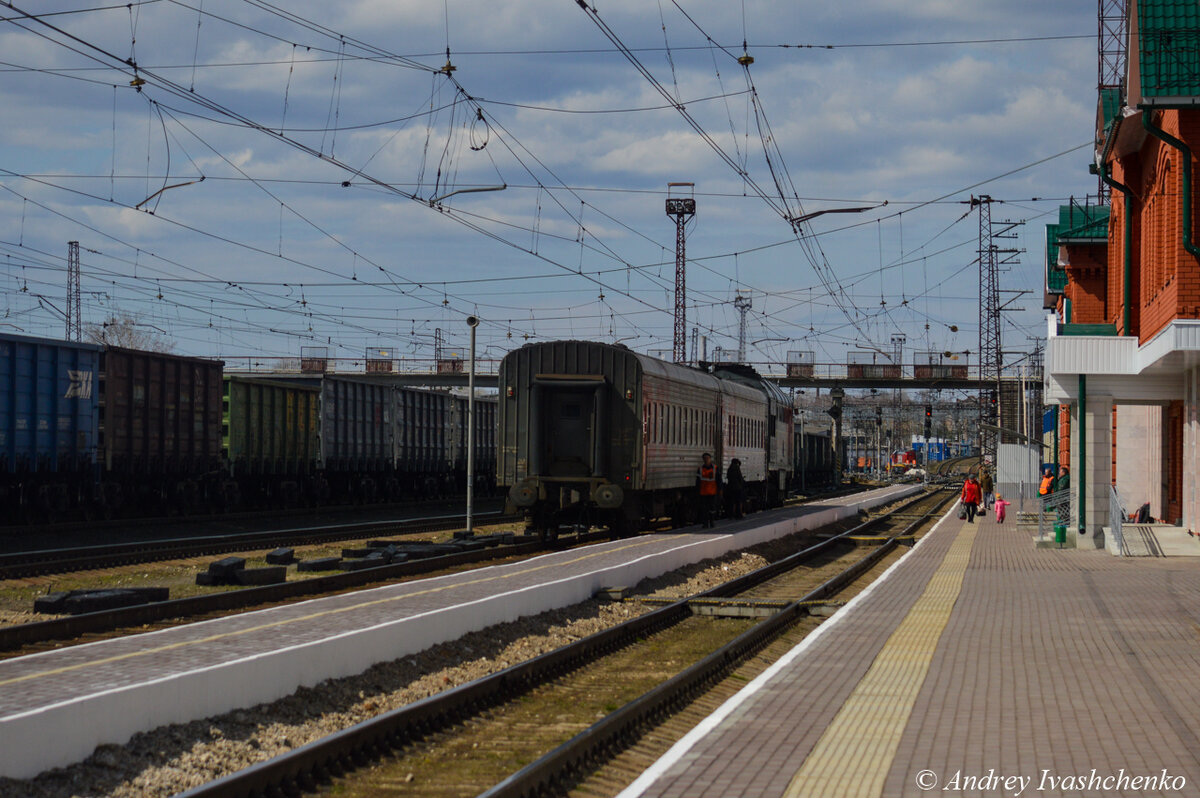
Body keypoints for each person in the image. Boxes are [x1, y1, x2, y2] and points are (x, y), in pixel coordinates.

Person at [696, 452, 721, 528]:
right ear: (703, 460)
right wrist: (697, 491)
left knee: (712, 508)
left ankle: (712, 522)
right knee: (704, 509)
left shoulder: (715, 468)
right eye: (705, 458)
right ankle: (705, 523)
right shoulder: (700, 469)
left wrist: (720, 490)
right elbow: (697, 481)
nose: (706, 460)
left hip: (712, 492)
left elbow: (719, 480)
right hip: (703, 492)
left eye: (707, 458)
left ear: (710, 459)